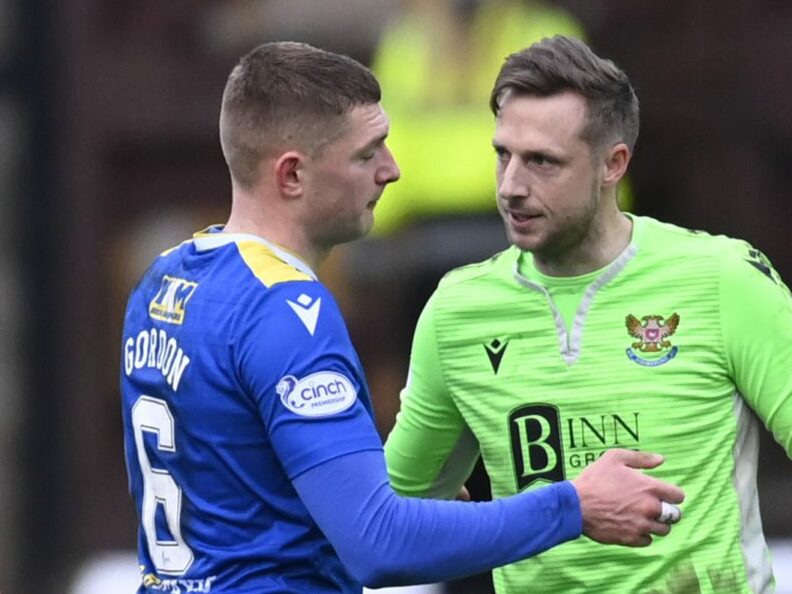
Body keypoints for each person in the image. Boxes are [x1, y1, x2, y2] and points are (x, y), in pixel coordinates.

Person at [119, 41, 686, 594]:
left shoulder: (166, 280)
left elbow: (242, 485)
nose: (392, 171)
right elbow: (378, 546)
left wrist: (407, 506)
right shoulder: (287, 311)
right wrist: (573, 505)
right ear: (292, 175)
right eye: (368, 154)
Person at [384, 35, 792, 593]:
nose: (512, 186)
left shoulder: (721, 279)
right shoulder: (458, 312)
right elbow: (386, 523)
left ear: (614, 164)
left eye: (542, 162)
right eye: (503, 155)